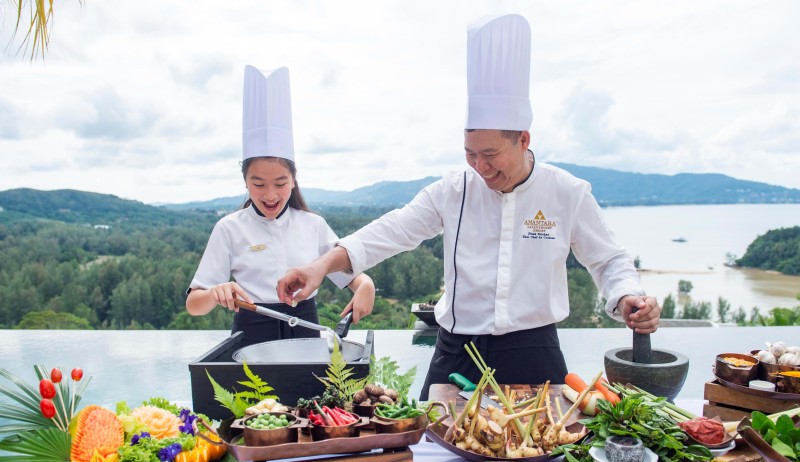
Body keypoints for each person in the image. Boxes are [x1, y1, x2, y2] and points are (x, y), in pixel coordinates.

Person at [276, 15, 660, 399]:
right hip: (457, 351)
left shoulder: (567, 192)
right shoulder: (453, 190)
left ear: (523, 139)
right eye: (470, 154)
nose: (480, 167)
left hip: (536, 351)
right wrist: (320, 266)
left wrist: (627, 296)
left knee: (548, 452)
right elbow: (390, 231)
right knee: (433, 448)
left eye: (490, 154)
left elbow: (608, 260)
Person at [186, 65, 375, 347]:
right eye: (259, 184)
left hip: (306, 335)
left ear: (295, 179)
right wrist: (215, 293)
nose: (271, 194)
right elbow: (193, 304)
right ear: (245, 182)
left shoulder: (314, 225)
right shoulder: (229, 228)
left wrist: (366, 286)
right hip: (250, 340)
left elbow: (353, 278)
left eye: (281, 183)